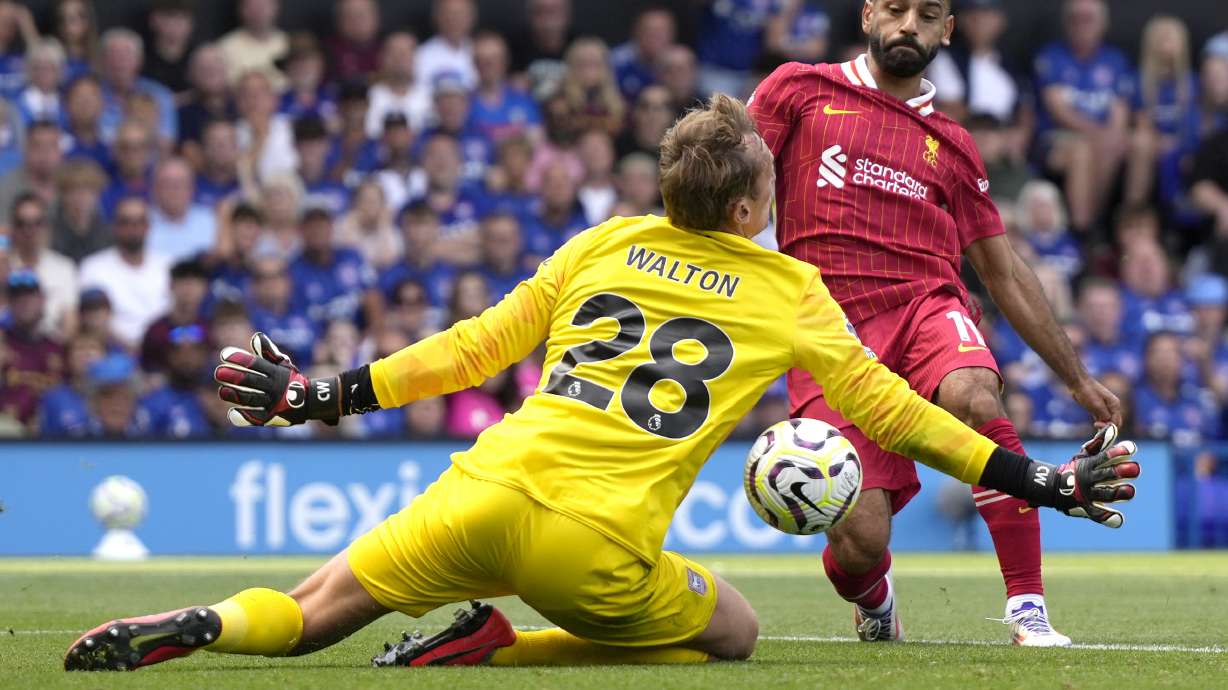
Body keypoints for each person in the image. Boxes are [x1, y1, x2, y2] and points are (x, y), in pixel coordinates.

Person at [65, 94, 1138, 672]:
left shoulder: (601, 244)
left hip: (480, 489)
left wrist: (322, 398)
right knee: (733, 633)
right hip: (594, 548)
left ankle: (209, 622)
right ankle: (502, 647)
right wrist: (1032, 478)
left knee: (308, 615)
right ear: (747, 209)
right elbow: (895, 411)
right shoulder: (788, 289)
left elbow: (469, 350)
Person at [748, 0, 1123, 646]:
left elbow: (1002, 273)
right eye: (895, 9)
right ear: (868, 15)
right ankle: (875, 600)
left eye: (927, 15)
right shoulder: (799, 90)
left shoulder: (953, 145)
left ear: (947, 32)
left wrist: (1078, 381)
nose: (908, 26)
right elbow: (737, 184)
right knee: (859, 539)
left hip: (927, 305)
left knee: (975, 394)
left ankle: (1028, 610)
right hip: (829, 334)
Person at [78, 196, 172, 347]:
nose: (133, 228)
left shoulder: (168, 265)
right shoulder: (93, 267)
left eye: (139, 222)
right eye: (125, 222)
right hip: (112, 349)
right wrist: (128, 347)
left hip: (163, 348)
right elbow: (92, 318)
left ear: (148, 226)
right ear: (114, 226)